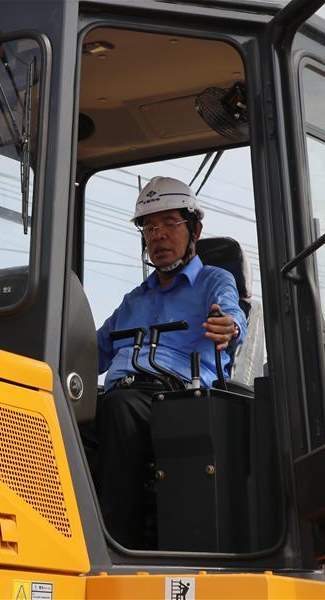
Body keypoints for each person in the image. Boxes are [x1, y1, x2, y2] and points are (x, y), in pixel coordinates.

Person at [95, 176, 247, 548]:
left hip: (178, 399)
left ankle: (114, 545)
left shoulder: (214, 281)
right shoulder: (134, 299)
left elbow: (231, 314)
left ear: (194, 228)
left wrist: (230, 327)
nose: (158, 235)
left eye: (168, 224)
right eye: (149, 227)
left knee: (118, 408)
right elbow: (89, 352)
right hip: (124, 397)